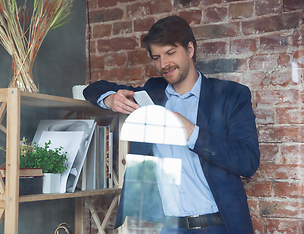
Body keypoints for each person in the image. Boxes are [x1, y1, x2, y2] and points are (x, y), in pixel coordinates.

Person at [84, 16, 260, 234]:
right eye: (156, 57)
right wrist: (110, 99)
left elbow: (248, 162)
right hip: (167, 227)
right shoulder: (150, 93)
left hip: (218, 225)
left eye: (170, 53)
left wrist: (191, 131)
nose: (163, 64)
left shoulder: (232, 95)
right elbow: (94, 88)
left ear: (190, 49)